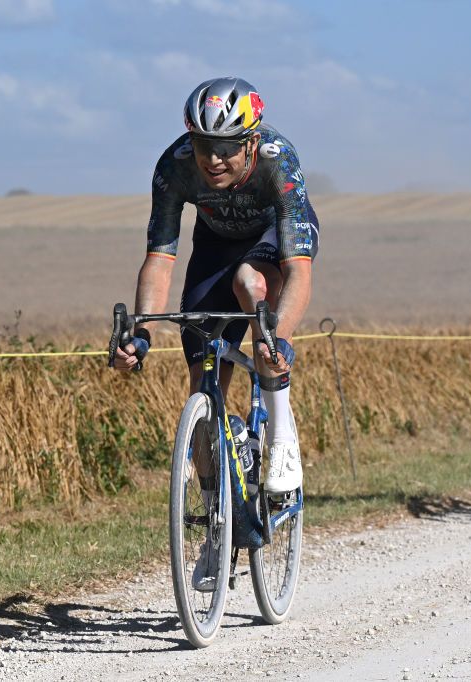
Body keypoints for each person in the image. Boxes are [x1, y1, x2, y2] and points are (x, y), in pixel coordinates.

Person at [112, 77, 318, 589]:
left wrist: (278, 337)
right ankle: (217, 530)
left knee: (252, 286)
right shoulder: (174, 165)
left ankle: (281, 433)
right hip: (214, 246)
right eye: (206, 146)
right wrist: (141, 333)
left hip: (273, 239)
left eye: (227, 148)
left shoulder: (278, 160)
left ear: (250, 141)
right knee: (202, 387)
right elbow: (160, 259)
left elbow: (299, 271)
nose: (213, 159)